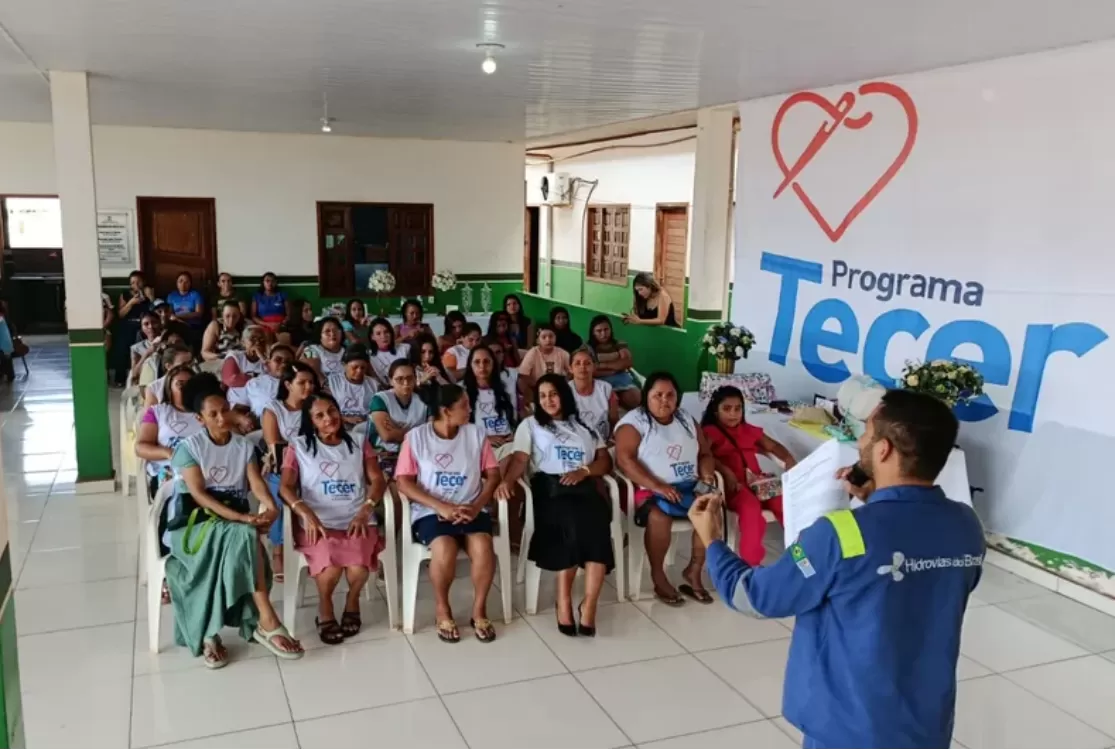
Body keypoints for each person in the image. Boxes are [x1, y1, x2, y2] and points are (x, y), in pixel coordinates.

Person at [693, 389, 985, 749]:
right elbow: (918, 583)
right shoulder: (965, 524)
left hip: (848, 727)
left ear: (884, 450)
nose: (860, 441)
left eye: (867, 433)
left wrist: (713, 542)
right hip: (926, 726)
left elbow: (756, 596)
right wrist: (874, 500)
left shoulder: (841, 532)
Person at [163, 373, 303, 667]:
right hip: (194, 525)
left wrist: (270, 507)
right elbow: (199, 495)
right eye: (212, 414)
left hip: (231, 523)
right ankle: (266, 620)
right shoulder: (189, 448)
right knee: (245, 535)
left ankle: (217, 630)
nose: (221, 418)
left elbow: (256, 483)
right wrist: (242, 518)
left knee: (242, 536)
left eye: (225, 410)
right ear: (200, 419)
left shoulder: (243, 446)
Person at [498, 374, 614, 636]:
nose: (548, 400)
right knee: (569, 524)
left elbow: (604, 461)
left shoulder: (584, 426)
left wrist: (584, 471)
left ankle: (590, 605)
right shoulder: (530, 425)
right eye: (542, 396)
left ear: (564, 395)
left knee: (598, 523)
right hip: (549, 490)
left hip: (583, 486)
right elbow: (520, 460)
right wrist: (507, 481)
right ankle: (563, 602)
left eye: (553, 394)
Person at [395, 384, 501, 643]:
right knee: (444, 548)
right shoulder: (416, 437)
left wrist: (476, 505)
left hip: (470, 506)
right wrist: (440, 506)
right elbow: (404, 483)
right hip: (431, 511)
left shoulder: (475, 434)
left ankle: (479, 610)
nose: (470, 409)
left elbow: (493, 475)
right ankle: (442, 609)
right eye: (464, 405)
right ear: (445, 410)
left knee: (483, 545)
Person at [279, 392, 387, 644]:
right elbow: (285, 487)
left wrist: (366, 509)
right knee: (330, 566)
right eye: (319, 415)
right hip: (318, 523)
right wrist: (305, 512)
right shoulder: (299, 446)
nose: (328, 418)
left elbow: (377, 480)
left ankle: (352, 601)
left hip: (356, 518)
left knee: (358, 567)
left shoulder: (359, 442)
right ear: (311, 421)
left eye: (332, 411)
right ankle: (325, 607)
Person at [615, 372, 717, 606]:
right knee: (659, 517)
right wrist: (658, 486)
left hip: (688, 486)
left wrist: (707, 477)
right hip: (647, 489)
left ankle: (694, 570)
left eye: (670, 395)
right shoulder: (634, 422)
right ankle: (658, 575)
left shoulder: (685, 419)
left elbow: (705, 454)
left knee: (709, 509)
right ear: (646, 396)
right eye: (658, 395)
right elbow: (625, 461)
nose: (664, 400)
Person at [701, 386, 797, 567]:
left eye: (738, 408)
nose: (733, 414)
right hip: (733, 487)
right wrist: (725, 470)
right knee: (751, 510)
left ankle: (801, 552)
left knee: (786, 504)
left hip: (758, 483)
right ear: (716, 410)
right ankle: (751, 565)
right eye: (727, 408)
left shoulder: (748, 429)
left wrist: (788, 459)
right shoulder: (709, 432)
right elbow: (704, 456)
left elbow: (773, 446)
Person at [262, 362, 320, 577]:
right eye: (302, 382)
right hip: (284, 465)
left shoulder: (316, 406)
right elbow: (275, 447)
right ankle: (279, 549)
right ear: (288, 385)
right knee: (280, 487)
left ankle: (317, 543)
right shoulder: (274, 410)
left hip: (314, 464)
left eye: (311, 382)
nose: (308, 387)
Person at [135, 364, 204, 498]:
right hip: (168, 470)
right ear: (169, 388)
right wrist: (170, 453)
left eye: (190, 384)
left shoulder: (205, 412)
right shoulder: (157, 412)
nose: (186, 388)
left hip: (202, 469)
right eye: (180, 384)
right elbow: (140, 448)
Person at [369, 360, 430, 480]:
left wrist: (396, 429)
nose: (406, 383)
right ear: (390, 381)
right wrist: (416, 432)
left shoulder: (424, 401)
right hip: (386, 453)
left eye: (410, 378)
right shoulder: (381, 399)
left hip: (416, 453)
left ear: (415, 379)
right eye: (399, 379)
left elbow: (429, 435)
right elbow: (387, 436)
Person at [586, 315, 641, 410]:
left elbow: (627, 362)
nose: (603, 334)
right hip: (600, 384)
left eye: (606, 329)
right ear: (593, 333)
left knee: (638, 403)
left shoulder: (619, 344)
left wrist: (602, 365)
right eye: (599, 331)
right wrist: (615, 369)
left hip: (622, 380)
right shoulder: (587, 348)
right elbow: (592, 370)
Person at [227, 344, 295, 421]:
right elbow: (238, 409)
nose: (284, 364)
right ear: (269, 363)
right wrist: (243, 419)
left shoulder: (299, 383)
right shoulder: (254, 383)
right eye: (278, 360)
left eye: (288, 362)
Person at [114, 270, 153, 386]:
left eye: (138, 282)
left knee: (143, 343)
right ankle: (120, 378)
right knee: (121, 346)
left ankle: (141, 376)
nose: (135, 285)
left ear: (143, 282)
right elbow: (120, 314)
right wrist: (131, 303)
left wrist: (151, 297)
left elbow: (155, 311)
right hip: (128, 324)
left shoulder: (148, 292)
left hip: (144, 325)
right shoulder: (125, 295)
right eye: (132, 283)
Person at [570, 348, 618, 442]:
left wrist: (610, 442)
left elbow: (614, 422)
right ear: (570, 368)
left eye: (587, 363)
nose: (582, 367)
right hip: (575, 444)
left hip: (603, 443)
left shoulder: (606, 389)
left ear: (594, 367)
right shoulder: (564, 390)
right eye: (577, 363)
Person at [517, 325, 571, 405]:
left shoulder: (562, 353)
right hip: (536, 388)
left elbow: (571, 372)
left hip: (558, 389)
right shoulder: (533, 352)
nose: (548, 340)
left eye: (551, 336)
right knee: (521, 381)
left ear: (555, 338)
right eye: (544, 337)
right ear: (538, 340)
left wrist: (564, 382)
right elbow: (523, 375)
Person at [327, 344, 379, 425]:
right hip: (339, 424)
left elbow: (380, 409)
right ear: (344, 365)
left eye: (363, 368)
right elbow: (324, 408)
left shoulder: (374, 384)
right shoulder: (332, 382)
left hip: (366, 424)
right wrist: (346, 418)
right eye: (355, 367)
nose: (359, 371)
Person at [408, 332, 454, 407]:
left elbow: (453, 394)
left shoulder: (438, 368)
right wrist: (421, 381)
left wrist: (439, 378)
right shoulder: (408, 369)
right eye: (423, 352)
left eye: (431, 352)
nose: (427, 356)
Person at [368, 317, 410, 386]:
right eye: (378, 333)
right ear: (372, 337)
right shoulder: (369, 356)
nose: (383, 336)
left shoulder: (405, 348)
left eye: (386, 332)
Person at [166, 271, 207, 340]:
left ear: (190, 283)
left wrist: (178, 316)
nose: (183, 284)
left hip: (192, 325)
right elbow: (170, 313)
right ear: (176, 283)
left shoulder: (196, 295)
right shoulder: (172, 296)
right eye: (180, 281)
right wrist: (176, 318)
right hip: (176, 323)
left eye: (186, 282)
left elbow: (199, 313)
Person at [129, 312, 163, 383]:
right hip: (146, 384)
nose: (151, 326)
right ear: (142, 328)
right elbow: (134, 374)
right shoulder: (136, 348)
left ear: (160, 324)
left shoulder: (170, 343)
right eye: (146, 324)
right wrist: (147, 354)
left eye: (154, 322)